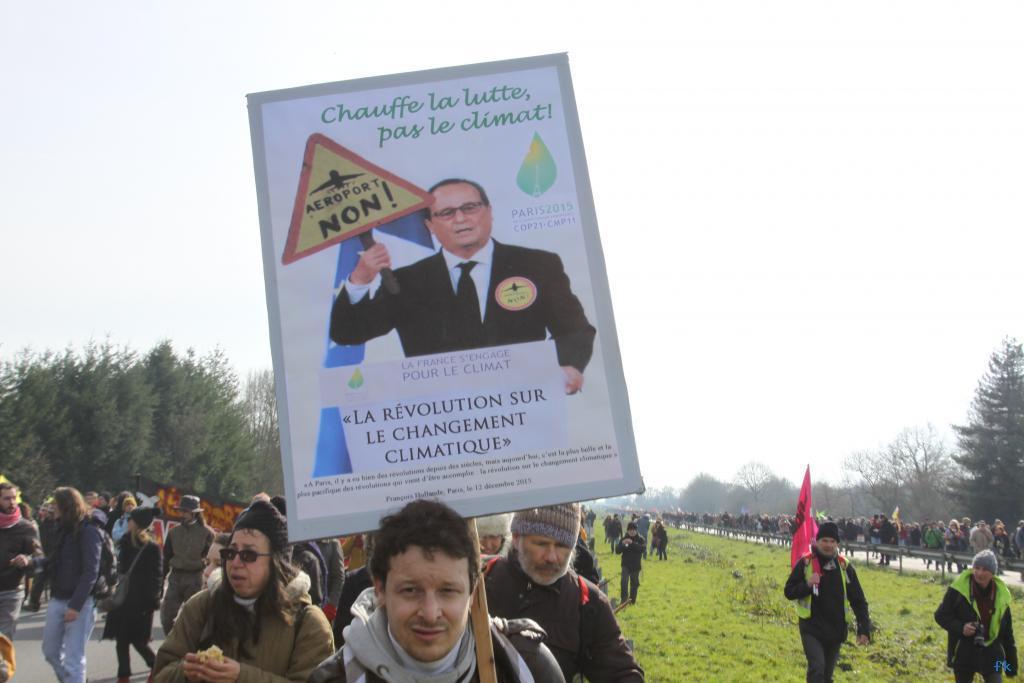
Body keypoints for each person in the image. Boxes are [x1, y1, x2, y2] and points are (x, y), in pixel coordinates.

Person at [330, 178, 596, 395]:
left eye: (470, 208)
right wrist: (361, 278)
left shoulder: (538, 264)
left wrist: (569, 366)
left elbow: (574, 330)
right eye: (446, 213)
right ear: (430, 225)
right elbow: (348, 334)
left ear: (489, 212)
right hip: (444, 423)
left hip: (526, 407)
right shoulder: (407, 281)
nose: (460, 219)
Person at [310, 499, 564, 683]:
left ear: (472, 592)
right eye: (410, 590)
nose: (431, 614)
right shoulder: (333, 677)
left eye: (448, 591)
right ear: (380, 590)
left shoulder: (528, 666)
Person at [153, 499, 334, 681]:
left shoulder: (308, 623)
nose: (236, 563)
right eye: (230, 553)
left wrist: (241, 677)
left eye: (249, 555)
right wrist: (188, 672)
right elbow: (161, 672)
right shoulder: (202, 605)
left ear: (277, 563)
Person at [485, 503, 644, 682]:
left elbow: (622, 674)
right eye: (541, 543)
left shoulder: (587, 602)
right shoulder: (479, 584)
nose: (551, 557)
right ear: (516, 538)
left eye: (562, 546)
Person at [784, 521, 872, 683]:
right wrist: (807, 585)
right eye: (824, 540)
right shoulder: (806, 563)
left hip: (836, 631)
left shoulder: (845, 566)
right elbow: (789, 591)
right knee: (817, 669)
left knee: (826, 676)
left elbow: (859, 601)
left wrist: (864, 629)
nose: (828, 545)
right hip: (811, 628)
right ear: (817, 541)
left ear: (837, 543)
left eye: (832, 541)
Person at [32, 487, 104, 683]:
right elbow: (52, 561)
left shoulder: (89, 531)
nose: (51, 509)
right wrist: (31, 563)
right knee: (50, 651)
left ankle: (75, 679)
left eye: (55, 505)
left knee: (74, 658)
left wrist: (75, 605)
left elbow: (91, 572)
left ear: (65, 506)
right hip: (58, 598)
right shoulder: (62, 529)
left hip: (81, 602)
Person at [935, 550, 1018, 682]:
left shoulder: (1002, 595)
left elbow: (1008, 633)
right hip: (963, 652)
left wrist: (1010, 667)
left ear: (993, 573)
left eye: (985, 569)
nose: (979, 573)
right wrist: (961, 628)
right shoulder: (958, 589)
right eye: (977, 568)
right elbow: (940, 615)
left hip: (992, 654)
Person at [101, 506, 162, 683]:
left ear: (137, 523)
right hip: (124, 599)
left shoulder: (151, 547)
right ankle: (124, 675)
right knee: (121, 640)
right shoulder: (125, 543)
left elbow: (156, 575)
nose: (128, 522)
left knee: (138, 641)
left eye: (131, 520)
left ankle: (157, 665)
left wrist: (152, 600)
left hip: (141, 602)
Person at [160, 494, 214, 637]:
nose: (182, 514)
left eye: (185, 511)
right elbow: (166, 557)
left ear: (194, 513)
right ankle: (172, 644)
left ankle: (191, 647)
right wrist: (161, 582)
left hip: (195, 577)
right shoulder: (173, 532)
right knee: (167, 617)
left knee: (195, 618)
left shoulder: (207, 533)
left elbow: (212, 559)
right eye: (180, 511)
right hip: (176, 577)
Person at [0, 481, 41, 639]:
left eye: (13, 498)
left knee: (4, 640)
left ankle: (4, 664)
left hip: (12, 590)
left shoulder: (26, 527)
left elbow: (39, 556)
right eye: (6, 498)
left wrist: (27, 559)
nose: (11, 502)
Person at [617, 521, 645, 606]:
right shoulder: (624, 538)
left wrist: (631, 543)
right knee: (624, 582)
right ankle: (624, 601)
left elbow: (642, 549)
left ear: (636, 530)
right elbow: (617, 551)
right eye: (630, 530)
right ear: (628, 531)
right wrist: (623, 544)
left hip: (636, 566)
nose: (632, 532)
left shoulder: (641, 539)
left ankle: (632, 601)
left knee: (634, 584)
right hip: (625, 565)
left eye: (633, 530)